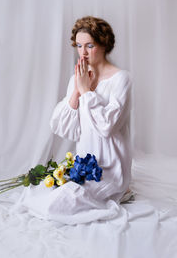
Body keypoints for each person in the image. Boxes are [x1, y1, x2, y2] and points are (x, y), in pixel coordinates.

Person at [15, 16, 132, 225]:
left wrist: (86, 90)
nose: (83, 52)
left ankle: (121, 190)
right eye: (79, 46)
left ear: (103, 44)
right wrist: (77, 91)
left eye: (89, 45)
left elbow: (107, 127)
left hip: (111, 166)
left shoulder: (121, 78)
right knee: (41, 191)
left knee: (59, 204)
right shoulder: (79, 77)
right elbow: (61, 125)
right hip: (85, 161)